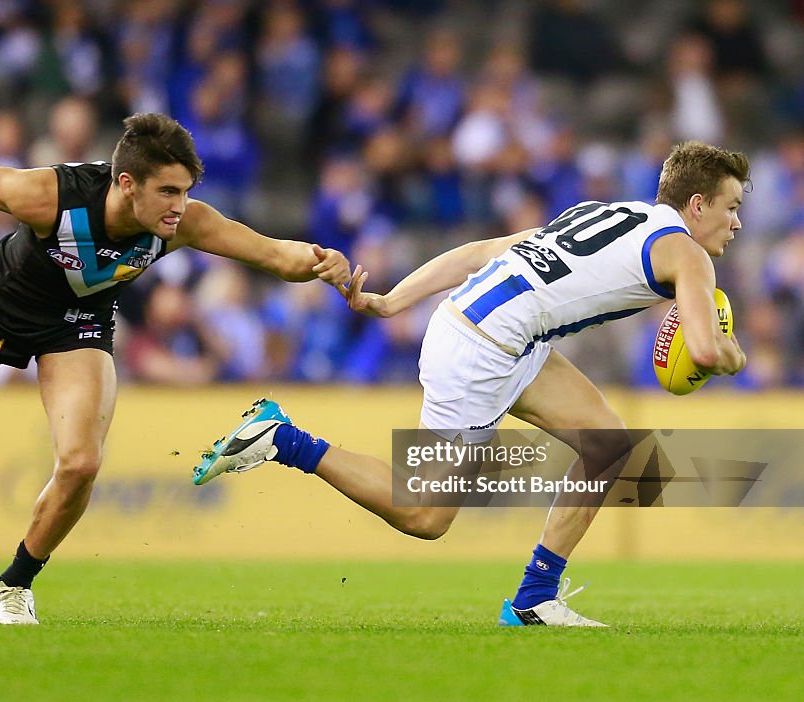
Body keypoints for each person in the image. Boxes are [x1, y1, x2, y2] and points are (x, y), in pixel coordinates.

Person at [0, 112, 351, 625]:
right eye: (168, 192)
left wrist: (324, 264)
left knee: (81, 463)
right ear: (126, 183)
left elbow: (275, 254)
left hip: (77, 325)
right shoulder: (47, 196)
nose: (179, 207)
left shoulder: (186, 223)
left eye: (185, 192)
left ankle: (16, 583)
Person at [193, 141, 749, 627]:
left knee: (608, 445)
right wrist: (732, 353)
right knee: (425, 516)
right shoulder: (689, 254)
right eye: (731, 208)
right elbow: (702, 352)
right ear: (697, 205)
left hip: (493, 330)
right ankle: (282, 439)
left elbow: (483, 252)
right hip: (482, 351)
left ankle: (534, 600)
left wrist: (392, 300)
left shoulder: (609, 213)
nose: (737, 223)